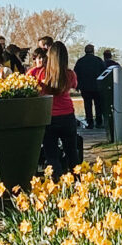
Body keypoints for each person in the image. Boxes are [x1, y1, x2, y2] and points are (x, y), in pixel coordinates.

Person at [32, 39, 83, 176]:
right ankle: (78, 181)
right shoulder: (70, 74)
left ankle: (58, 182)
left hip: (49, 117)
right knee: (72, 153)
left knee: (51, 155)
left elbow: (29, 80)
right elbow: (74, 84)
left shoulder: (41, 74)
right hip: (67, 116)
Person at [74, 42, 106, 128]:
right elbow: (104, 73)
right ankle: (99, 122)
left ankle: (90, 123)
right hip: (97, 87)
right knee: (98, 105)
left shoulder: (80, 61)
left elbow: (75, 74)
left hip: (85, 88)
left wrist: (77, 86)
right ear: (93, 51)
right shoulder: (99, 61)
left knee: (87, 105)